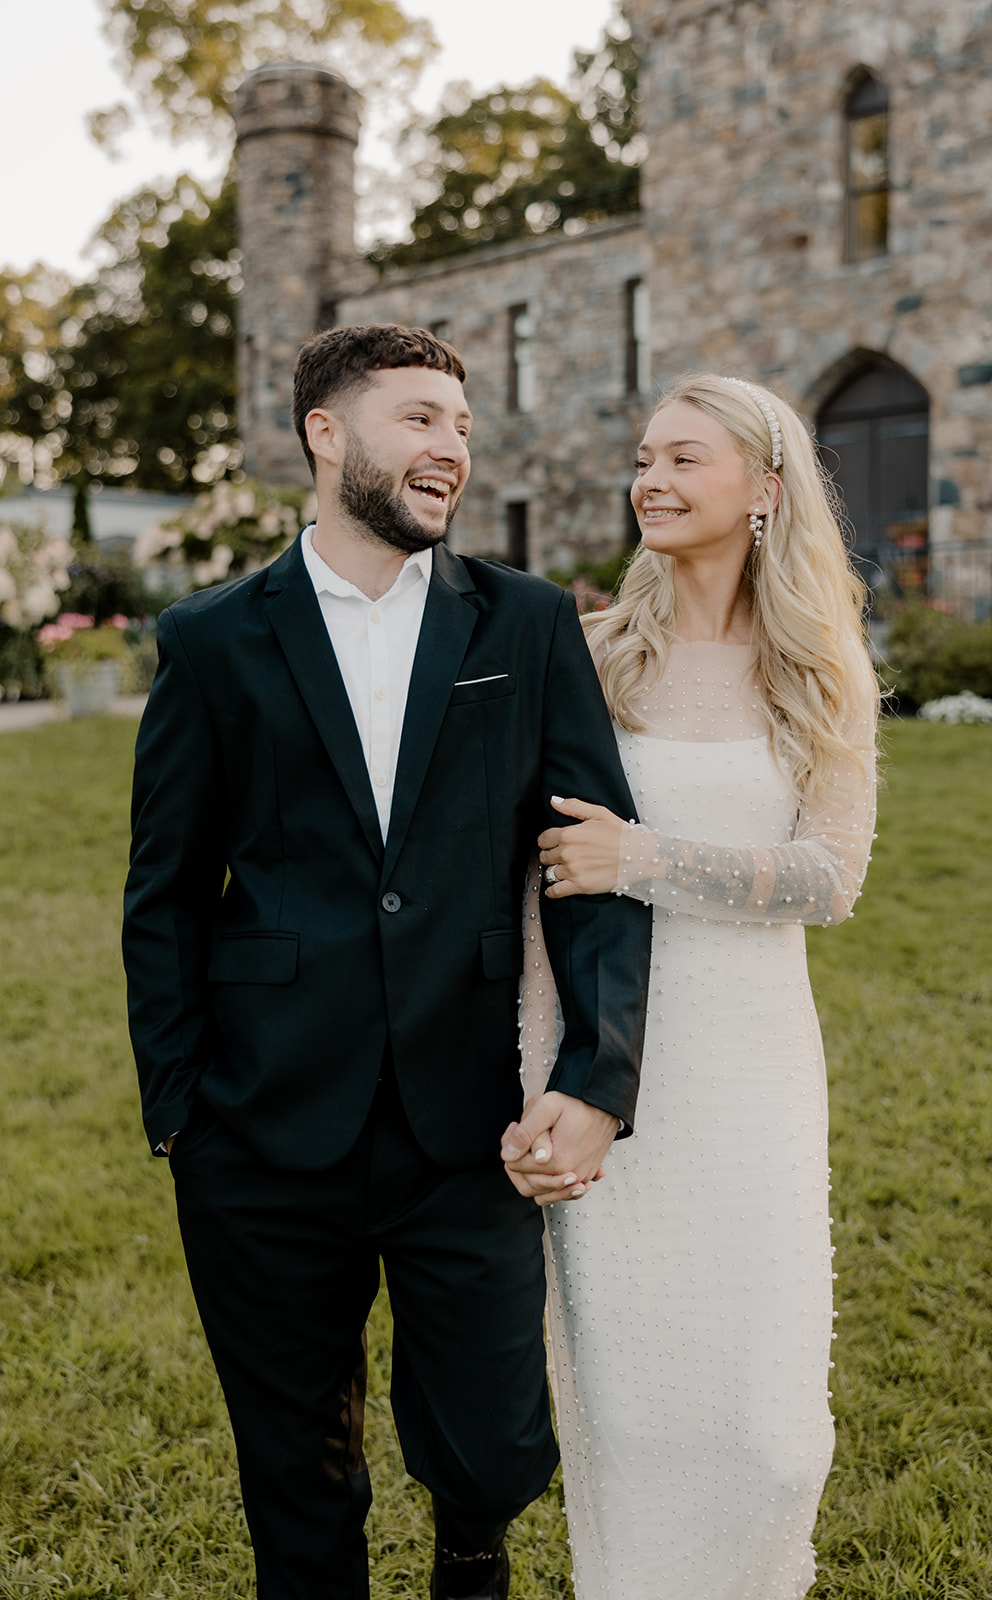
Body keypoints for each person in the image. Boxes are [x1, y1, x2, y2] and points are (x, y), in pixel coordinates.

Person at [121, 323, 651, 1600]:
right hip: (259, 1121)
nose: (451, 449)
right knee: (294, 1460)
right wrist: (180, 1108)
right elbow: (167, 893)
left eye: (461, 429)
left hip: (469, 1110)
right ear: (326, 432)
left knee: (489, 1442)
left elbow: (592, 868)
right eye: (419, 419)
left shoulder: (523, 622)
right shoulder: (211, 639)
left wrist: (594, 1071)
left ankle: (470, 1556)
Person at [504, 373, 879, 1599]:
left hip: (754, 1064)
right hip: (613, 1062)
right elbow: (534, 886)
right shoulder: (597, 654)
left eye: (682, 460)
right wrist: (541, 1076)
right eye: (642, 459)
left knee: (775, 1438)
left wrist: (646, 854)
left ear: (762, 491)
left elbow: (829, 878)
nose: (649, 481)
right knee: (633, 1413)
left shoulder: (820, 667)